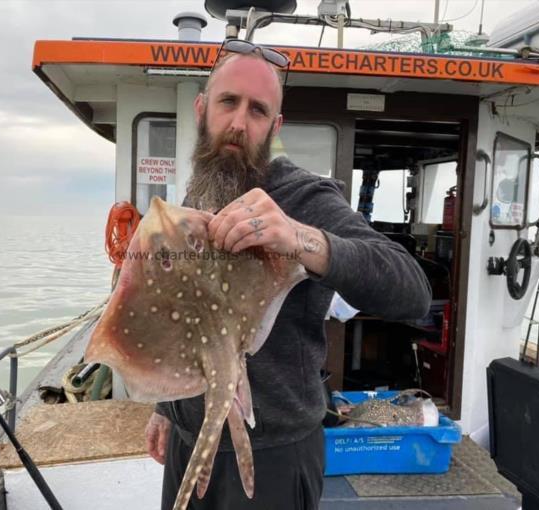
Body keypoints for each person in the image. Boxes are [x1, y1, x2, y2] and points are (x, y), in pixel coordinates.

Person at [145, 40, 432, 510]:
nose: (239, 123)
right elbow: (187, 317)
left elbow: (411, 289)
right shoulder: (199, 190)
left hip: (274, 454)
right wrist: (166, 408)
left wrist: (301, 238)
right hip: (188, 437)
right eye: (228, 102)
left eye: (258, 110)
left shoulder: (304, 197)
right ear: (202, 110)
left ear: (275, 126)